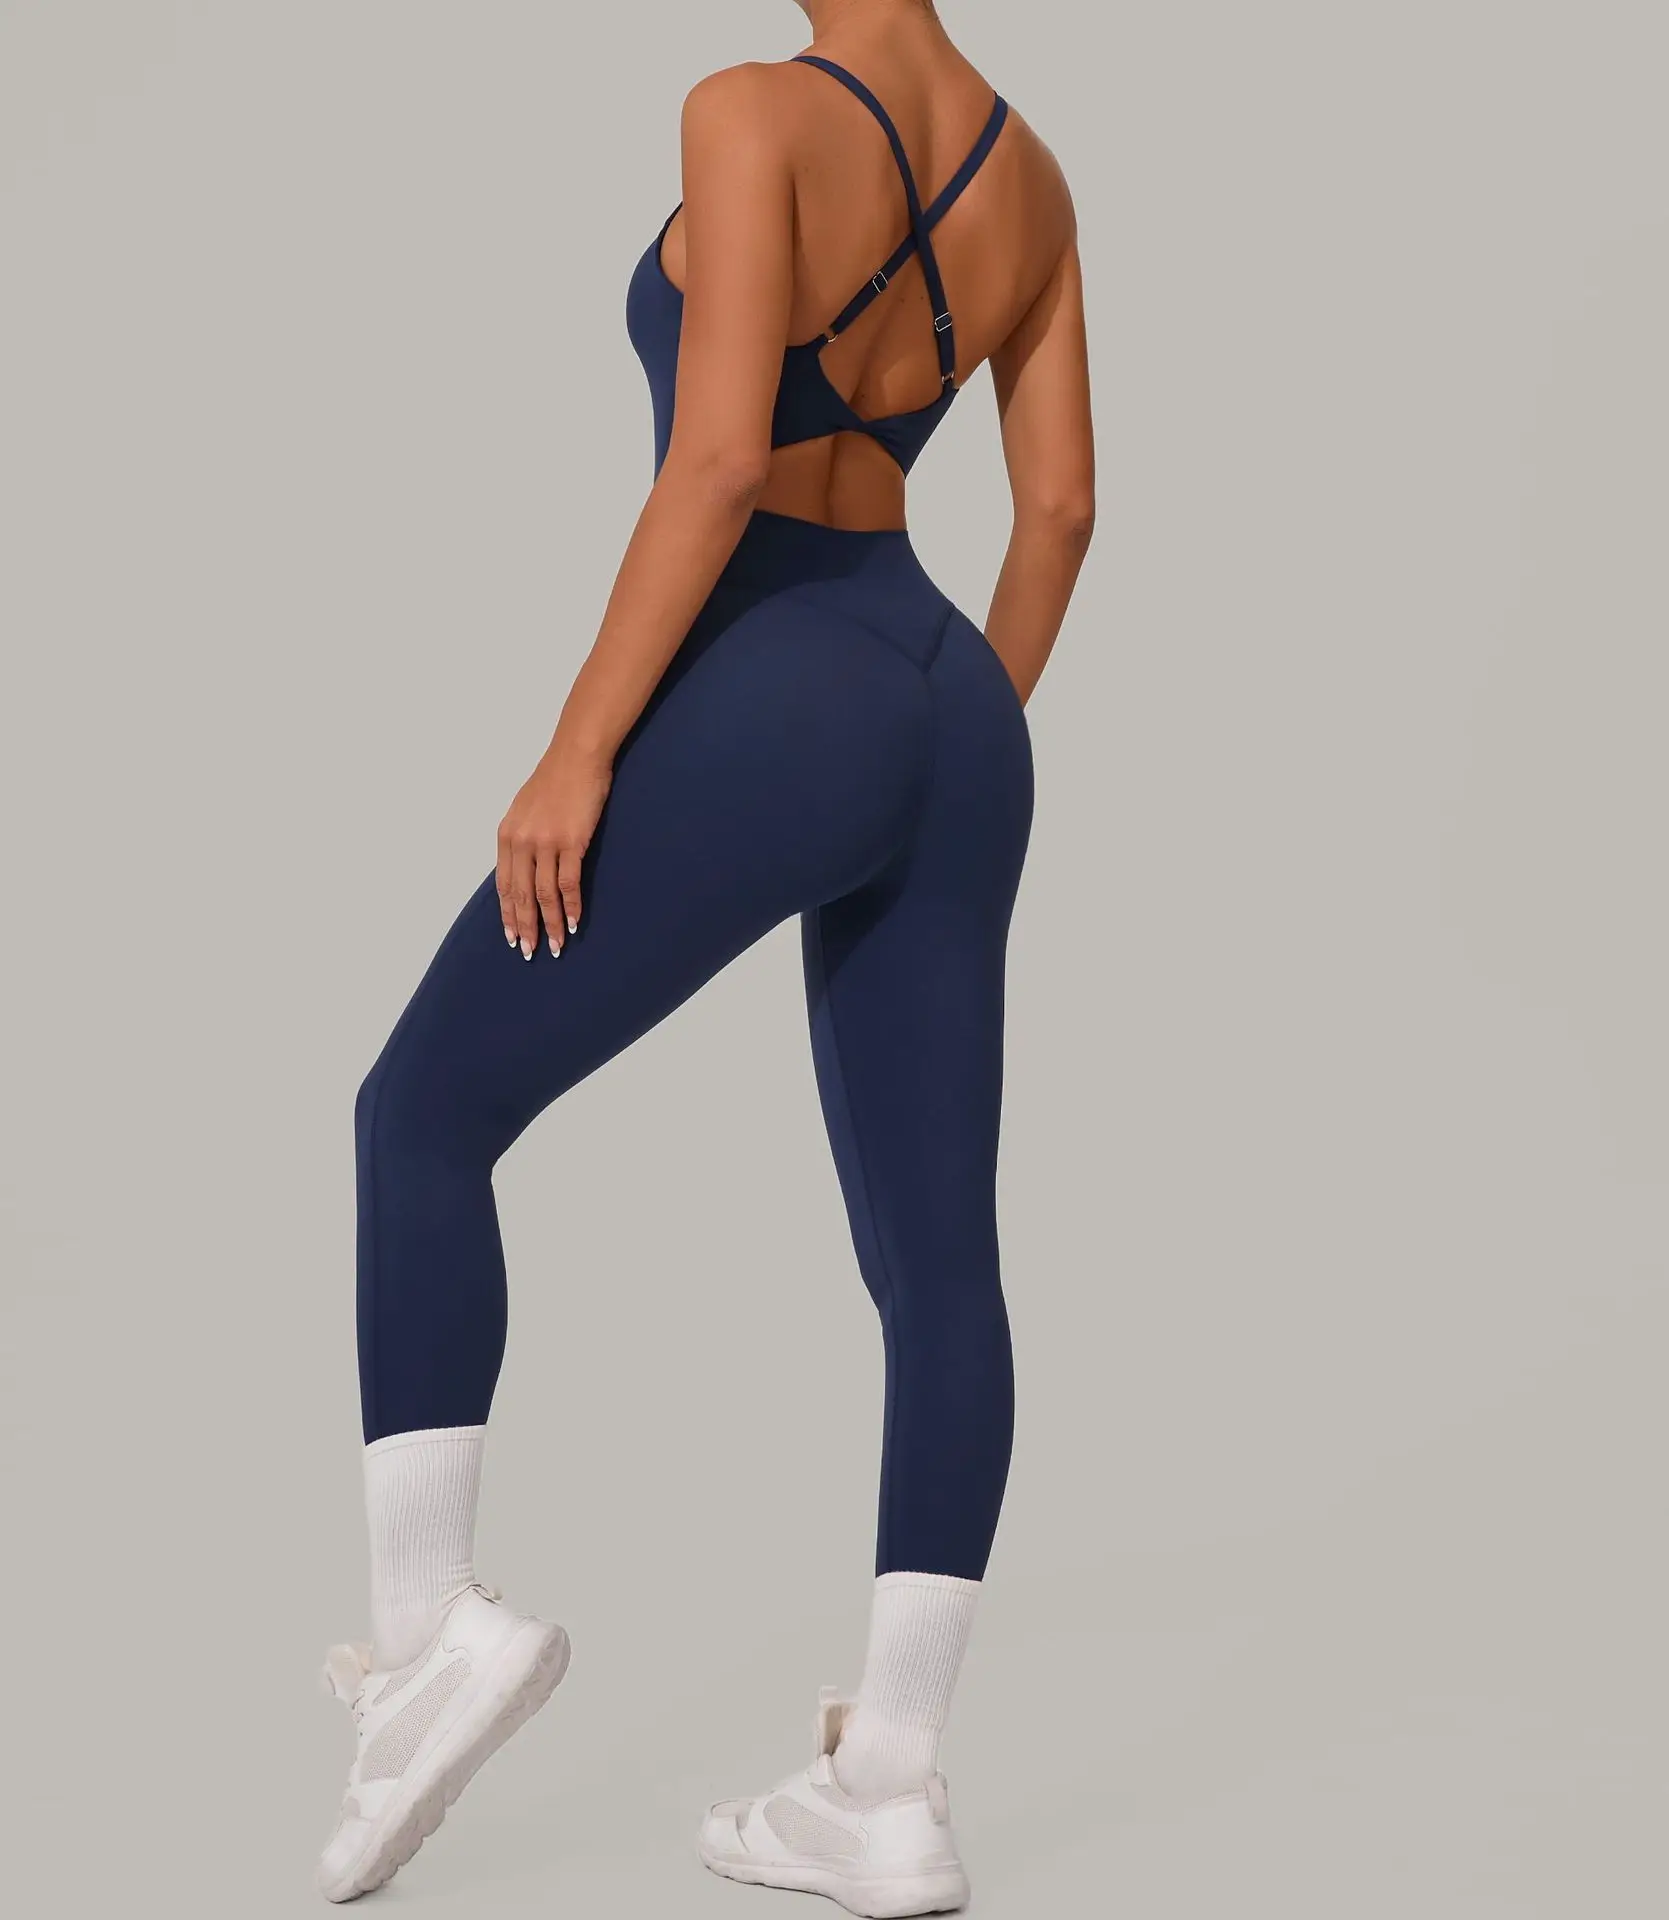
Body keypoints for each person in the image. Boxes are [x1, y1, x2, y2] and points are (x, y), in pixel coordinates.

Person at [317, 1, 1093, 1911]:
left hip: (783, 673)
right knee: (939, 1266)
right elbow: (1061, 508)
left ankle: (428, 1645)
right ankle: (890, 1791)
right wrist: (940, 739)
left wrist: (578, 750)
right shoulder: (1035, 176)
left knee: (420, 1115)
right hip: (953, 696)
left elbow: (722, 460)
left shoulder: (750, 110)